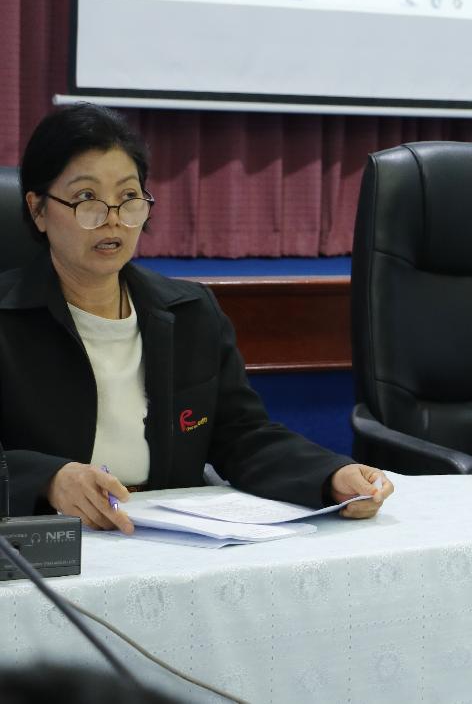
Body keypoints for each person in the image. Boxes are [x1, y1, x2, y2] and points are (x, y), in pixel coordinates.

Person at [2, 103, 394, 532]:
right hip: (48, 543)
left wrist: (330, 476)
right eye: (86, 198)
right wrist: (47, 479)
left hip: (171, 542)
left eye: (128, 197)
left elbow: (241, 436)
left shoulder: (189, 312)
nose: (112, 219)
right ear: (38, 210)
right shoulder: (8, 320)